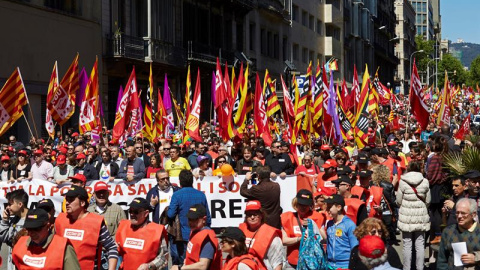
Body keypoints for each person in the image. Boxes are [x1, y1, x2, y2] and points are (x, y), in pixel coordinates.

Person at [55, 186, 118, 270]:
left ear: (82, 203)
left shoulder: (96, 222)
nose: (67, 203)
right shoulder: (60, 219)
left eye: (71, 200)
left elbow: (112, 247)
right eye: (67, 199)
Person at [12, 208, 81, 269]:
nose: (31, 232)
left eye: (36, 228)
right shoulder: (20, 244)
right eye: (29, 228)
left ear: (47, 225)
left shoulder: (63, 247)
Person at [167, 170, 211, 266]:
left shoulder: (177, 195)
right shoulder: (201, 195)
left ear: (180, 181)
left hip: (183, 235)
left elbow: (170, 214)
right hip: (200, 234)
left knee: (185, 263)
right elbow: (207, 217)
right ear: (192, 180)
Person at [116, 197, 168, 270]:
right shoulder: (123, 226)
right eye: (130, 211)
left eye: (136, 212)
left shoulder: (157, 231)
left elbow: (164, 258)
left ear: (146, 213)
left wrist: (149, 266)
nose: (132, 214)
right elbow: (116, 251)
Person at [396, 161, 430, 270]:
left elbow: (399, 200)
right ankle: (420, 268)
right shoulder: (425, 181)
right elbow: (428, 200)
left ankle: (406, 268)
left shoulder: (402, 181)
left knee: (407, 244)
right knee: (420, 244)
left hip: (406, 215)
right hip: (420, 215)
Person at [281, 189, 325, 269]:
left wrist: (313, 225)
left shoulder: (318, 217)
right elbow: (284, 241)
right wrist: (299, 239)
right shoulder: (288, 218)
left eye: (306, 204)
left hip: (312, 263)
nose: (303, 207)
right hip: (293, 262)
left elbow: (325, 239)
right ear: (296, 203)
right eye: (300, 204)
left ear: (311, 204)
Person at [171, 204, 221, 270]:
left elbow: (203, 266)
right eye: (189, 219)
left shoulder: (207, 238)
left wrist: (180, 268)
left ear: (204, 219)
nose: (191, 222)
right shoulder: (195, 231)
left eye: (194, 219)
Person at [238, 201, 283, 270]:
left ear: (261, 215)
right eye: (249, 215)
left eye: (255, 214)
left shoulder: (270, 234)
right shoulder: (240, 230)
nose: (252, 217)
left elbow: (277, 263)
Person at [437, 198, 480, 269]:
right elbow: (442, 260)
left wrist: (477, 257)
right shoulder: (448, 232)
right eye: (457, 213)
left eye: (463, 213)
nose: (459, 216)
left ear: (473, 214)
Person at [323, 194, 358, 269]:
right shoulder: (329, 223)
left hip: (345, 265)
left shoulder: (349, 225)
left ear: (339, 207)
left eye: (329, 207)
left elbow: (355, 248)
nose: (327, 210)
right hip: (330, 265)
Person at [0, 189, 29, 270]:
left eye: (10, 204)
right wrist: (5, 221)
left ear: (20, 204)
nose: (8, 207)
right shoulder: (13, 220)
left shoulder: (33, 220)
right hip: (12, 265)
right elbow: (4, 238)